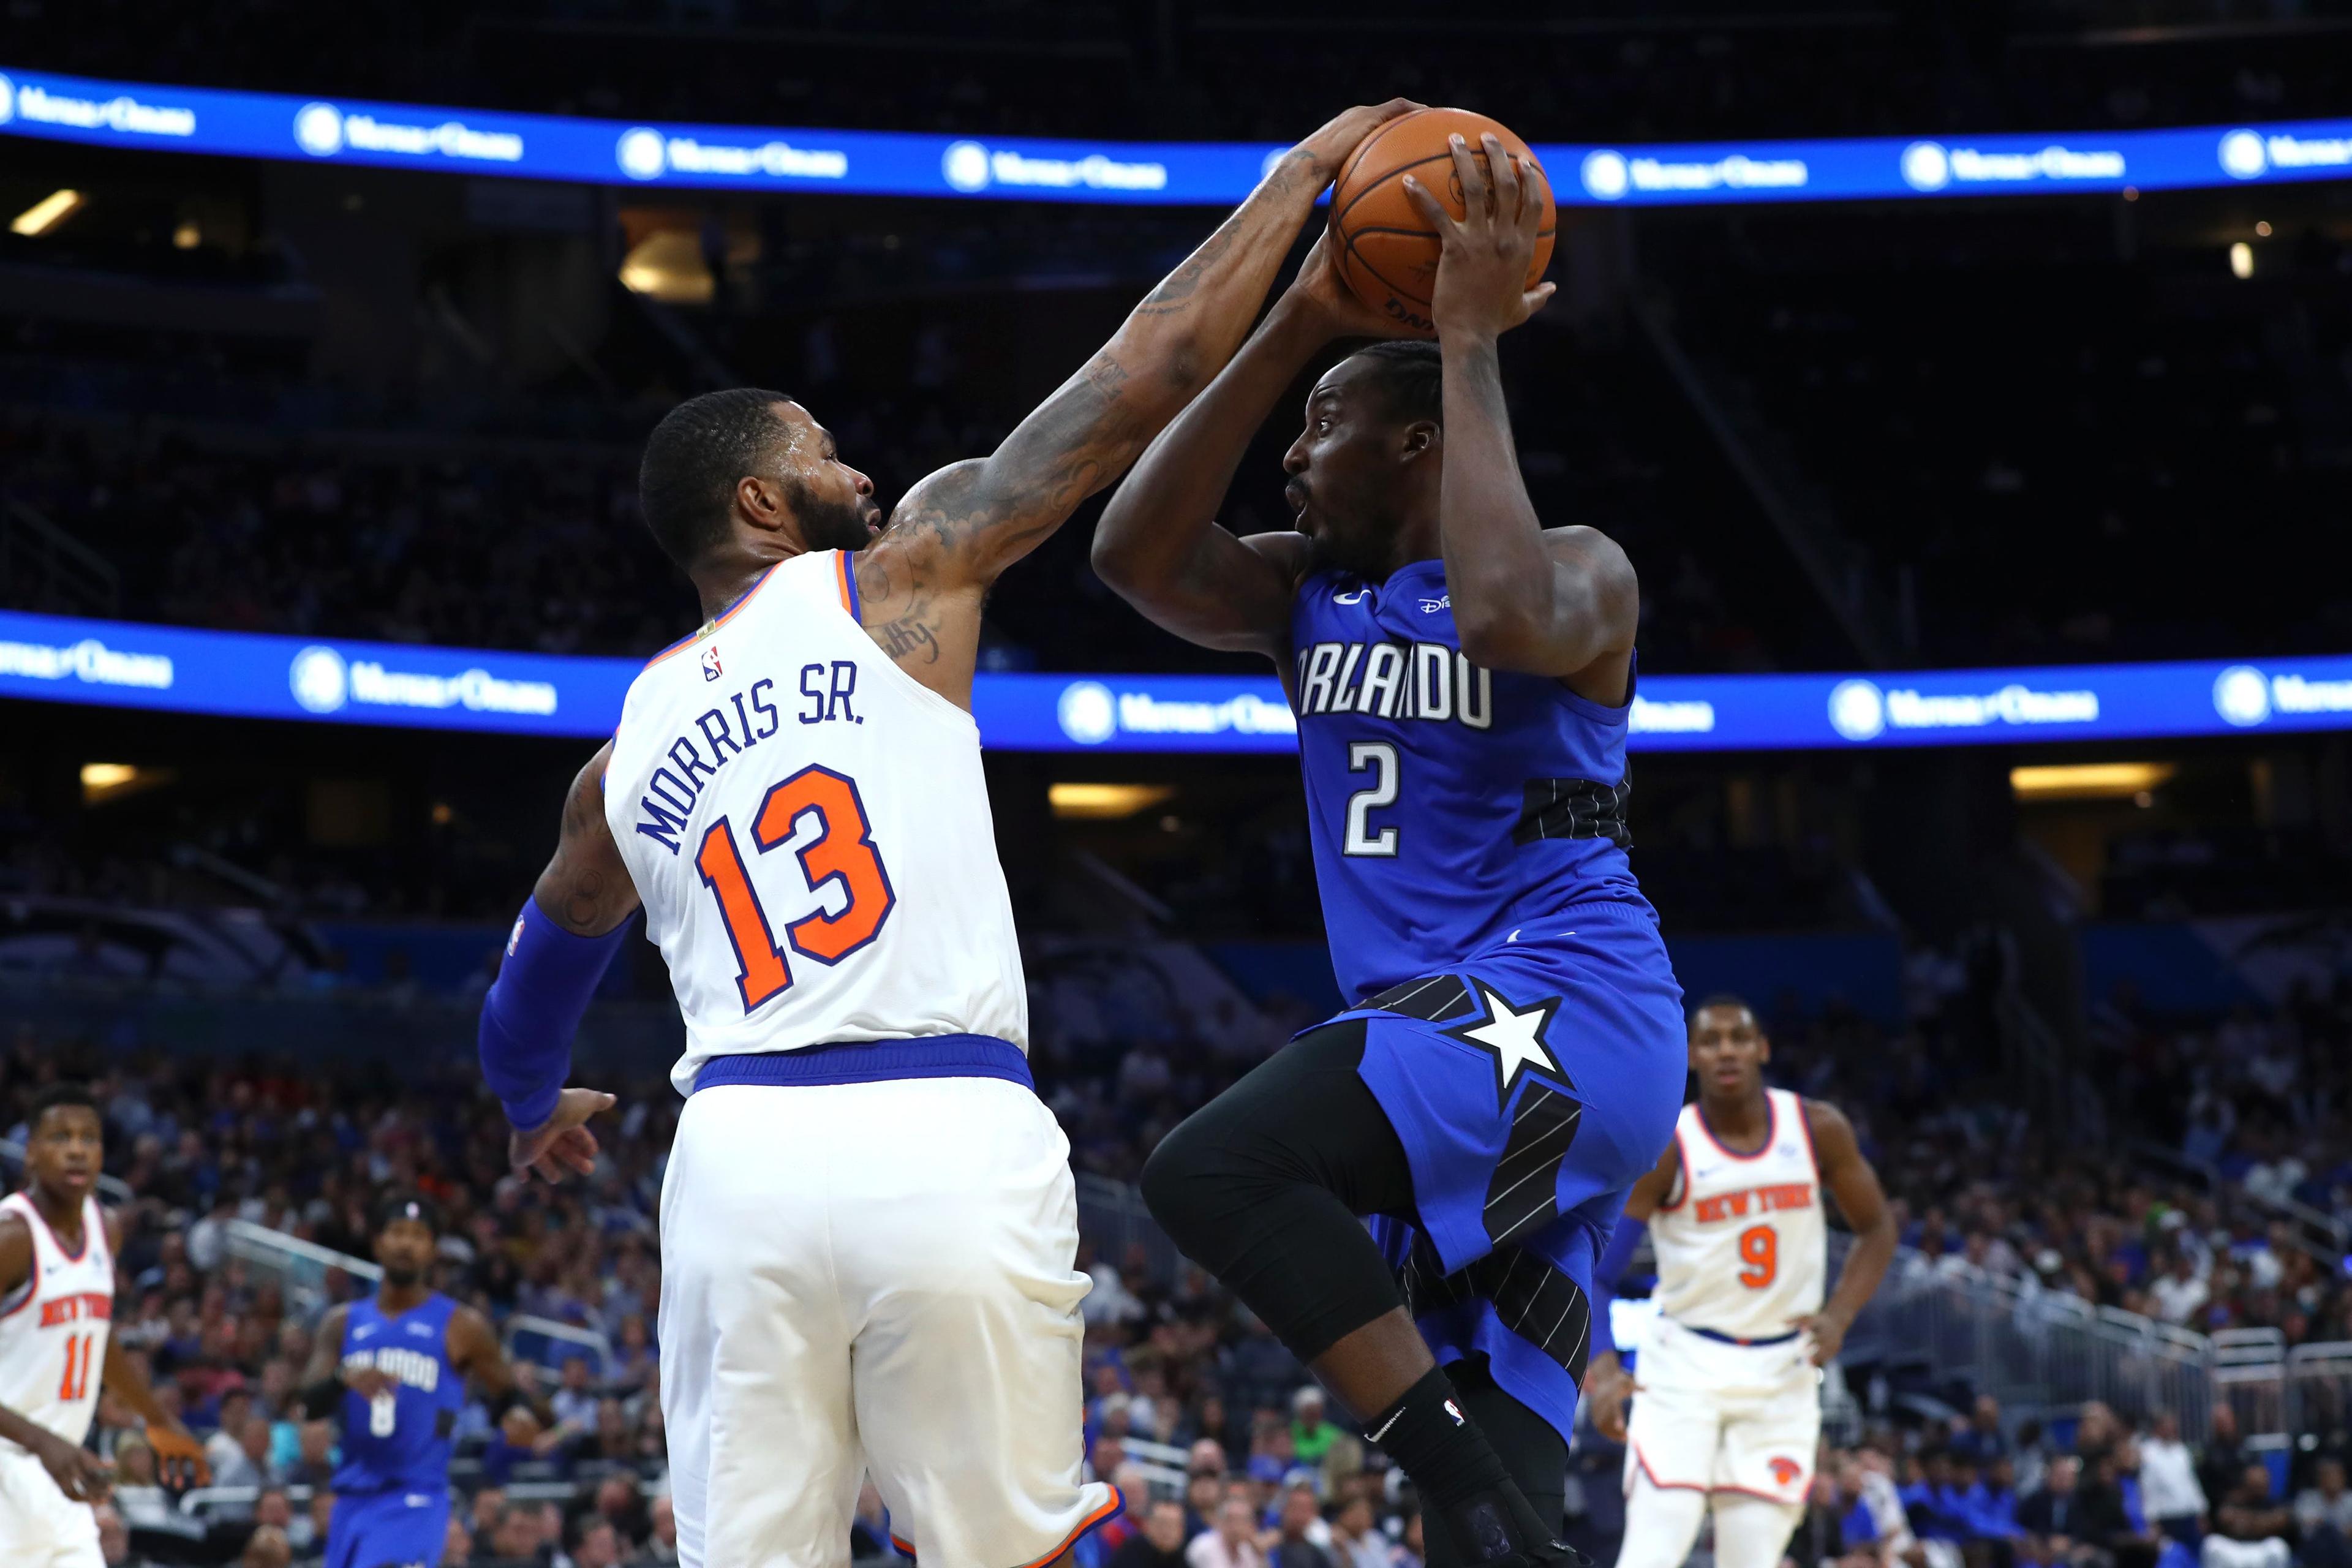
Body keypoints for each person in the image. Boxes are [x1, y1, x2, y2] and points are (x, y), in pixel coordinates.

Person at [470, 99, 1421, 1568]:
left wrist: (535, 1103)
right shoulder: (903, 574)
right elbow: (1142, 370)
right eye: (824, 453)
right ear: (760, 498)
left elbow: (534, 978)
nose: (855, 468)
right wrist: (1298, 187)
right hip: (944, 1129)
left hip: (735, 1164)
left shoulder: (620, 755)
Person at [1104, 133, 1678, 1568]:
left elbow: (1496, 615)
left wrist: (1466, 341)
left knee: (1212, 1168)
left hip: (1561, 1011)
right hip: (1449, 1045)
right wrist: (1297, 318)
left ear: (1415, 441)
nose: (1290, 456)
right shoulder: (1306, 595)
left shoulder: (1585, 571)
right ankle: (1491, 1517)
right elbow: (1133, 555)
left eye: (1321, 424)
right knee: (1479, 1543)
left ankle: (1479, 1501)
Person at [1580, 997, 1895, 1568]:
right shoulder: (1670, 1146)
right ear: (1692, 1056)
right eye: (1711, 1040)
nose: (1726, 1049)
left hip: (1783, 1371)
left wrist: (1841, 1314)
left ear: (1762, 1049)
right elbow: (1598, 1272)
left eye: (1739, 1037)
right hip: (1683, 1369)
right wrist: (1601, 1368)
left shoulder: (1818, 1130)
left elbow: (1878, 1229)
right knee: (1650, 1553)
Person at [0, 1084, 208, 1567]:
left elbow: (94, 1333)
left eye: (88, 1138)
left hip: (63, 1476)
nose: (76, 1149)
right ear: (31, 1152)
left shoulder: (104, 1227)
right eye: (60, 1137)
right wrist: (40, 1440)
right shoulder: (12, 1237)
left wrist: (157, 1418)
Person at [295, 1194, 545, 1568]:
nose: (406, 1243)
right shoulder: (342, 1323)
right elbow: (310, 1402)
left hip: (416, 1498)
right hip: (351, 1500)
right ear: (378, 1243)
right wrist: (343, 1378)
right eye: (397, 1232)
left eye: (418, 1235)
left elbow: (508, 1397)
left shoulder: (463, 1326)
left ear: (432, 1251)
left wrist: (518, 1419)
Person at [2139, 1412, 2207, 1547]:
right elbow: (2148, 1487)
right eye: (2167, 1426)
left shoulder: (2181, 1450)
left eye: (2172, 1426)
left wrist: (2201, 1511)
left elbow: (2191, 1482)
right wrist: (2151, 1520)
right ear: (2157, 1428)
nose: (2171, 1429)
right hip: (2165, 1517)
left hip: (2188, 1515)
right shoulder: (2147, 1452)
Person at [2202, 1465, 2290, 1568]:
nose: (2261, 1484)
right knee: (2212, 1544)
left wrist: (2247, 1522)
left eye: (2264, 1480)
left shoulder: (2272, 1503)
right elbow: (2225, 1518)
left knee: (2278, 1547)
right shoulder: (2234, 1499)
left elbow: (2282, 1521)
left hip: (2261, 1549)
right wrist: (2263, 1522)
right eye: (2256, 1482)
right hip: (2233, 1549)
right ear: (2246, 1482)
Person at [1189, 1495, 1272, 1568]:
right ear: (1220, 1522)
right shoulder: (1203, 1546)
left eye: (1242, 1521)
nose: (1236, 1527)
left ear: (1251, 1526)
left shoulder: (1248, 1549)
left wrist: (1260, 1554)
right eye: (1231, 1520)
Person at [1114, 1499, 1196, 1568]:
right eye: (1162, 1524)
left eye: (1172, 1525)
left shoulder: (1190, 1556)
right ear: (1148, 1525)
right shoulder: (1130, 1552)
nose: (1166, 1531)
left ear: (1182, 1530)